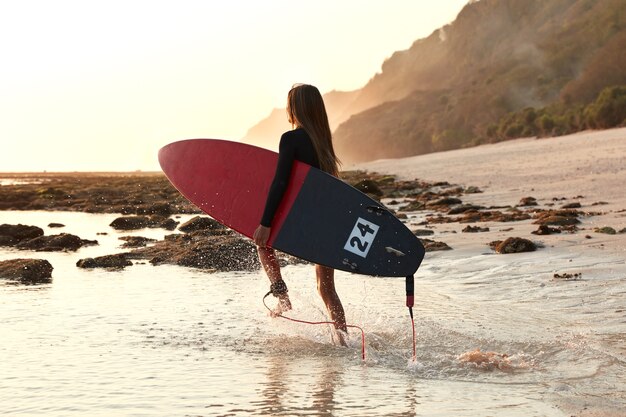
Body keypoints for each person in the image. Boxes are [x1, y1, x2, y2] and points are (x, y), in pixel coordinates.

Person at [253, 84, 347, 345]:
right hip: (326, 222)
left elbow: (280, 183)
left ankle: (283, 299)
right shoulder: (324, 143)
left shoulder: (291, 139)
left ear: (294, 108)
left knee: (262, 243)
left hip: (302, 220)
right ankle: (343, 341)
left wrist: (266, 222)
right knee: (326, 288)